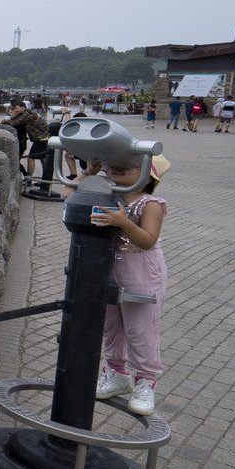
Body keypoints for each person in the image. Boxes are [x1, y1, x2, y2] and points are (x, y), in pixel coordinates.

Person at [93, 155, 171, 415]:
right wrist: (90, 170)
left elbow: (148, 240)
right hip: (111, 269)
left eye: (127, 164)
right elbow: (70, 197)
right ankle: (116, 373)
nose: (116, 166)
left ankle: (146, 381)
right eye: (114, 162)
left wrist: (123, 222)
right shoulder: (109, 195)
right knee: (112, 325)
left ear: (148, 174)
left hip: (141, 272)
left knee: (141, 329)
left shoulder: (151, 204)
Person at [3, 101, 48, 175]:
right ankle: (45, 178)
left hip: (41, 138)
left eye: (16, 108)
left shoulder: (28, 114)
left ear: (23, 107)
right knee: (42, 159)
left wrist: (2, 121)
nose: (15, 110)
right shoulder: (26, 113)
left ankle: (28, 178)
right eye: (14, 108)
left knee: (31, 157)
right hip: (42, 137)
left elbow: (16, 122)